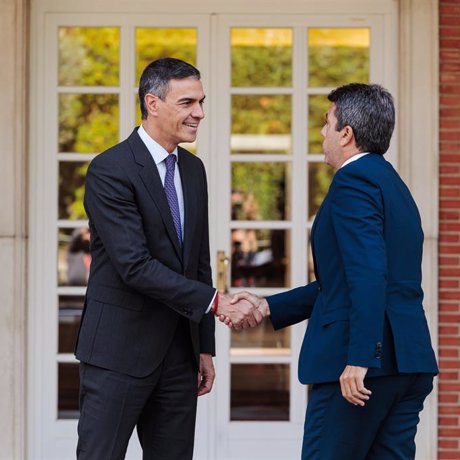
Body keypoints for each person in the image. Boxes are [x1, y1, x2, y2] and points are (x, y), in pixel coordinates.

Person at [230, 83, 439, 459]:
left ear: (347, 134)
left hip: (362, 370)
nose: (322, 132)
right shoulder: (393, 184)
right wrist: (268, 306)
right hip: (408, 361)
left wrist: (360, 357)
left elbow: (368, 273)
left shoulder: (352, 182)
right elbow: (348, 279)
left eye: (327, 123)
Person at [74, 57, 261, 460]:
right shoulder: (110, 169)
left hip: (179, 355)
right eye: (188, 102)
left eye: (201, 102)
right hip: (117, 354)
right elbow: (134, 265)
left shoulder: (193, 170)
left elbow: (198, 261)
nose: (199, 113)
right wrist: (215, 301)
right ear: (152, 103)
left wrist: (204, 346)